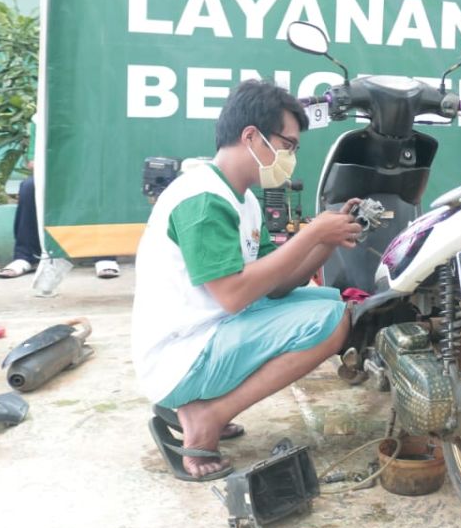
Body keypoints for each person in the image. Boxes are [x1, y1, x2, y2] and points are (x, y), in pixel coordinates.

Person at [132, 79, 364, 481]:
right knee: (332, 324)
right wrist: (310, 234)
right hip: (180, 357)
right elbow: (233, 293)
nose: (290, 156)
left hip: (204, 336)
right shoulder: (203, 199)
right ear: (252, 136)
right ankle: (207, 414)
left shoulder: (242, 198)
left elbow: (275, 284)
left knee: (329, 304)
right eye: (287, 144)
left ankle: (194, 405)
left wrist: (329, 241)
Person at [0, 164, 41, 278]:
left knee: (93, 186)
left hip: (90, 175)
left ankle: (95, 256)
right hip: (56, 174)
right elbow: (33, 162)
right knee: (29, 186)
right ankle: (27, 257)